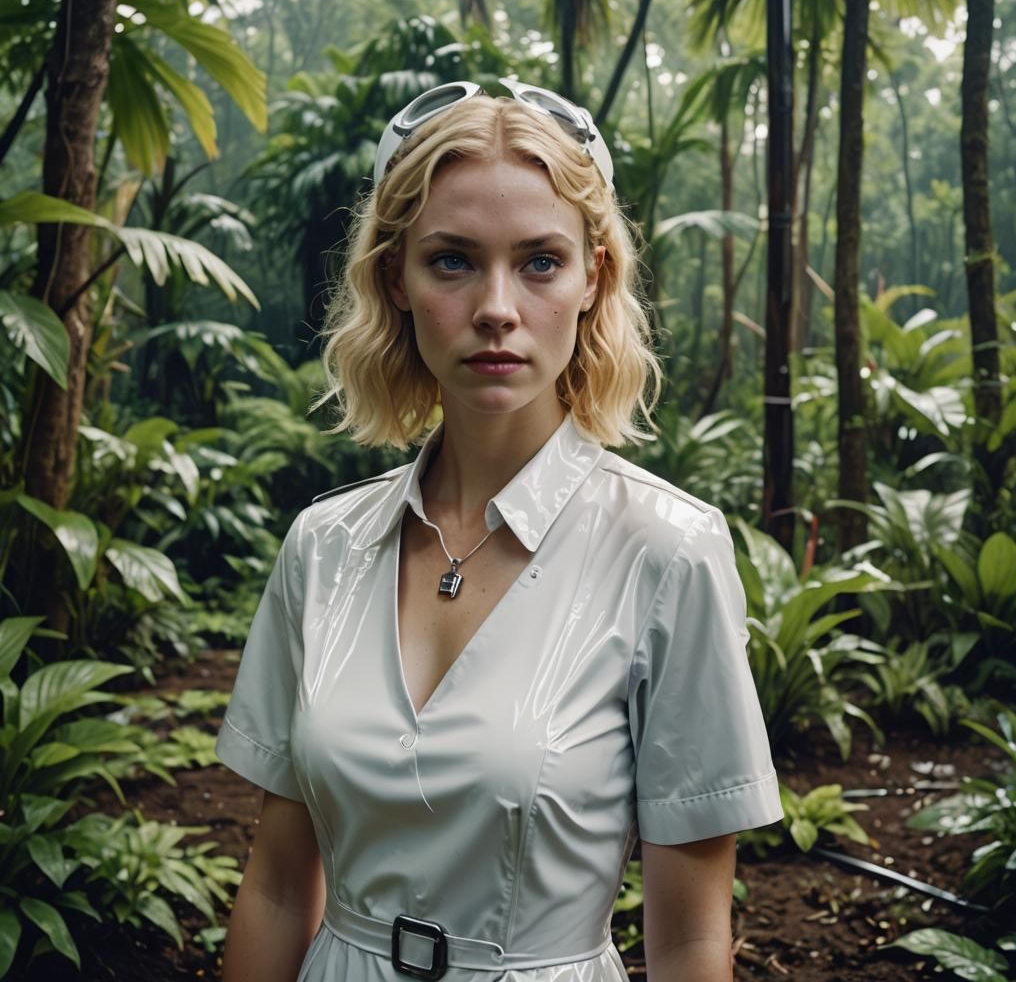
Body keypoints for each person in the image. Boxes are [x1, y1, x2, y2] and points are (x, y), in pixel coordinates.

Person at [215, 78, 783, 982]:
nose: (496, 307)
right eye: (452, 260)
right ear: (395, 275)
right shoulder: (323, 547)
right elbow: (280, 886)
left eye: (539, 262)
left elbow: (688, 939)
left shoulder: (669, 552)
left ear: (594, 275)